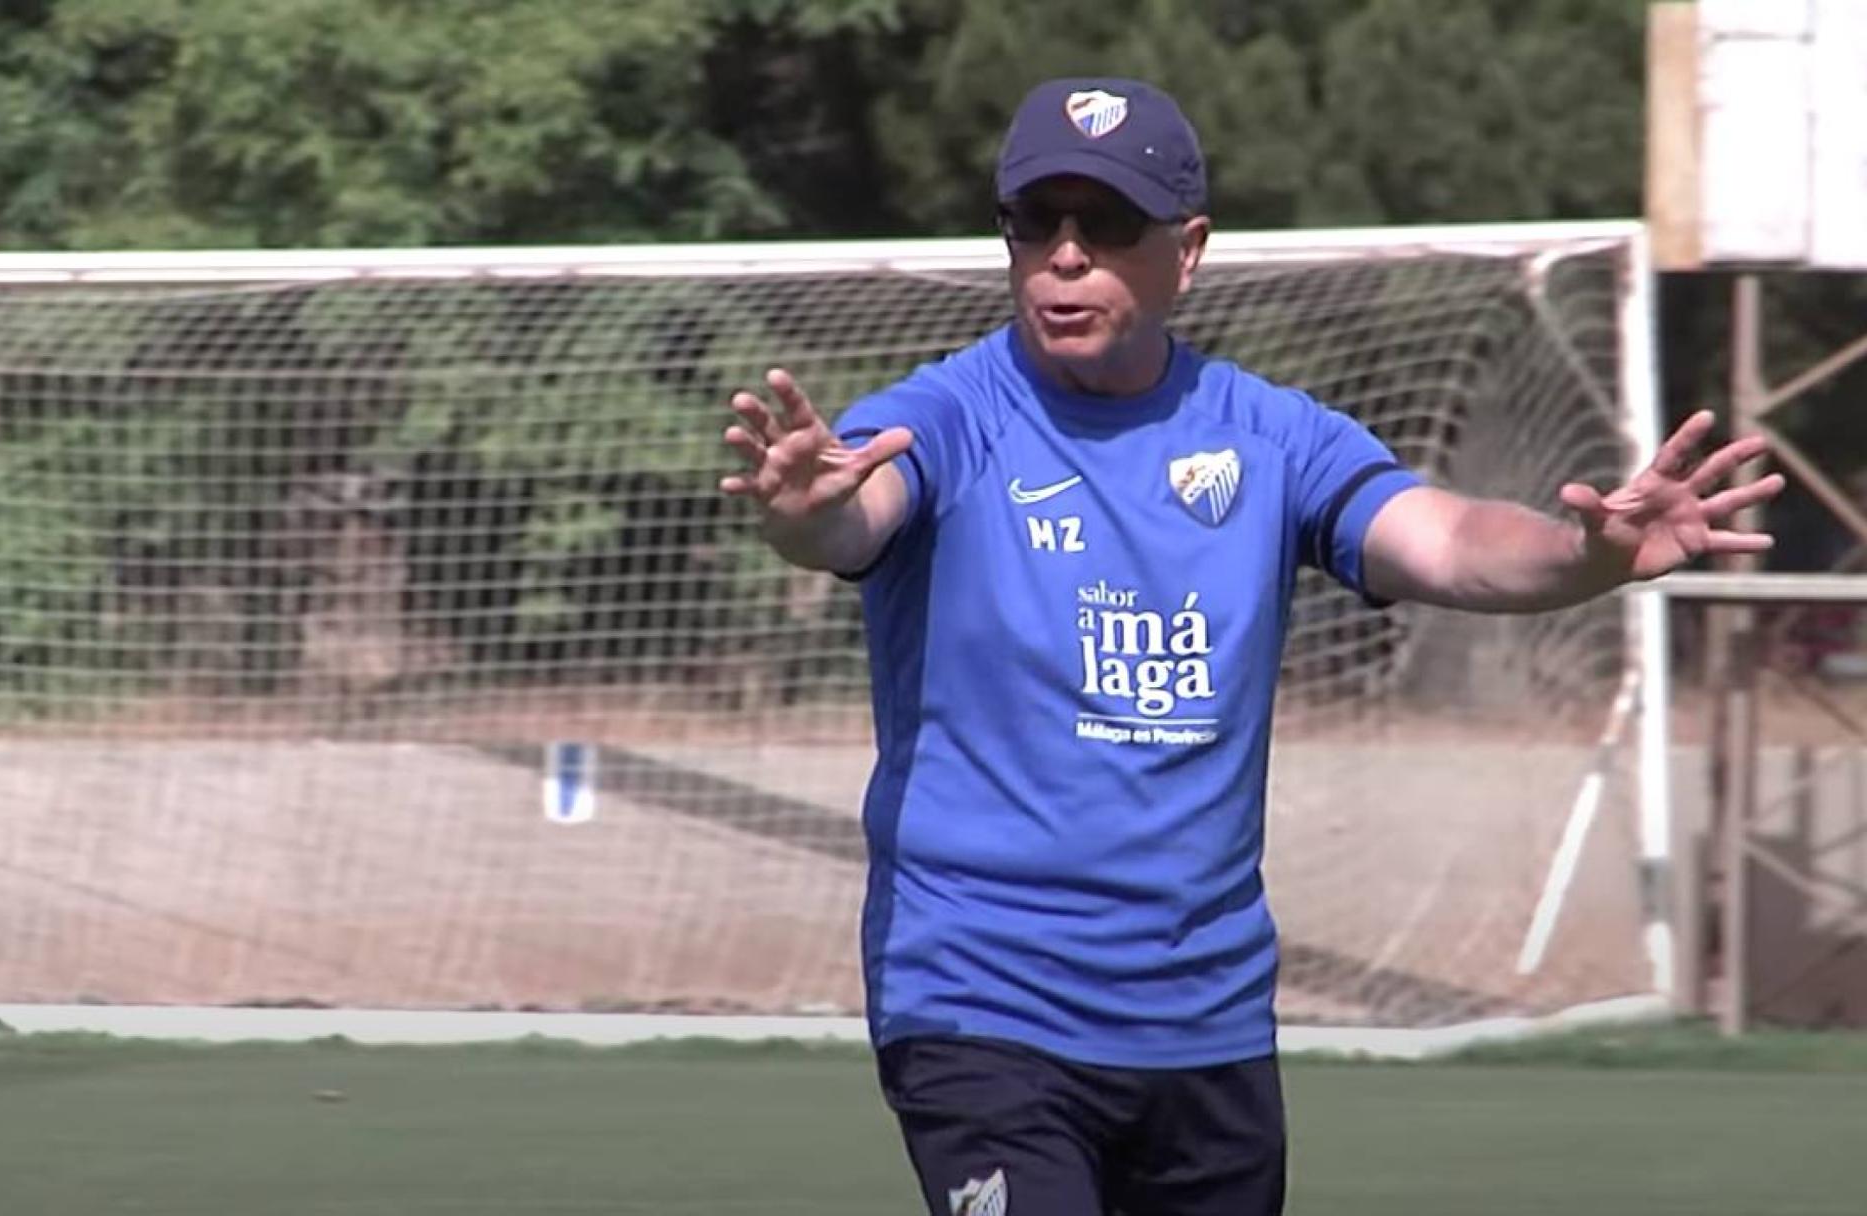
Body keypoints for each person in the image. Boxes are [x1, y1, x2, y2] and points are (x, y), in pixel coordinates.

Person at [718, 77, 1782, 1216]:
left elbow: (1453, 541)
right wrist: (805, 513)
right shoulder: (950, 416)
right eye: (1037, 223)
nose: (1065, 256)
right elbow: (855, 516)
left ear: (1188, 250)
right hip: (983, 1001)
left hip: (1203, 1018)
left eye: (1108, 223)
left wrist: (1589, 556)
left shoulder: (1273, 437)